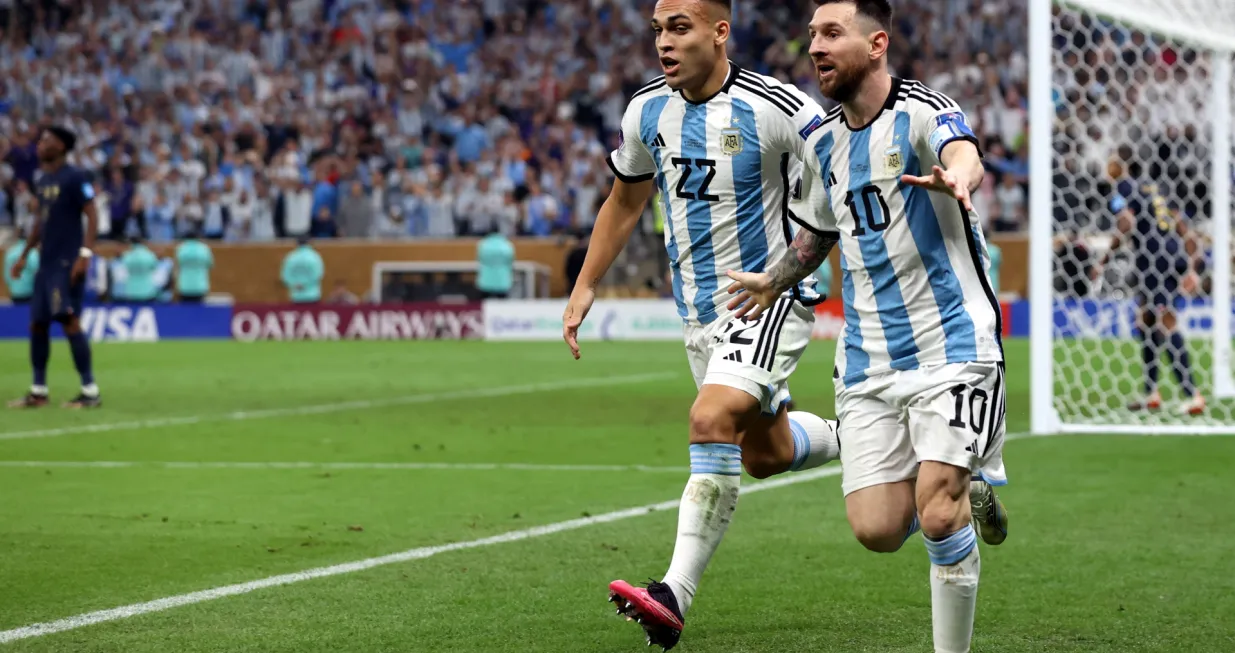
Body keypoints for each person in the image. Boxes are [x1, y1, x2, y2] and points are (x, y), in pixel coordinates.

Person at [725, 2, 1008, 651]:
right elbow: (818, 230)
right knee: (876, 528)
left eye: (830, 34)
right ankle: (969, 485)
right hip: (868, 360)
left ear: (876, 43)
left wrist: (957, 178)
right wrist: (773, 278)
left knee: (935, 510)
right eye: (811, 37)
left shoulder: (919, 112)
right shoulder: (822, 141)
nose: (814, 48)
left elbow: (962, 152)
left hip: (952, 346)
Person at [562, 1, 841, 648]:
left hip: (766, 298)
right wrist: (584, 286)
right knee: (762, 454)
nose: (663, 41)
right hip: (697, 315)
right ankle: (865, 438)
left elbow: (844, 163)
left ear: (719, 33)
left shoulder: (776, 107)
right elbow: (626, 198)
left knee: (709, 420)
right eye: (658, 29)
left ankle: (671, 594)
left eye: (679, 27)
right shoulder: (645, 111)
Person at [1094, 158, 1203, 415]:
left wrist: (1104, 259)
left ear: (1120, 165)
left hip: (1156, 261)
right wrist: (1191, 267)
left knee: (1165, 323)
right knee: (1145, 321)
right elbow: (1182, 226)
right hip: (1168, 258)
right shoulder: (1157, 187)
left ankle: (1192, 394)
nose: (1107, 168)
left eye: (1111, 162)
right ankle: (1151, 392)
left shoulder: (1124, 188)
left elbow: (1127, 223)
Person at [8, 126, 102, 409]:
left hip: (66, 262)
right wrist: (25, 254)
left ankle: (90, 392)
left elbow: (92, 214)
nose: (41, 143)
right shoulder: (42, 178)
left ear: (61, 146)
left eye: (47, 139)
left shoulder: (74, 177)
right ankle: (39, 391)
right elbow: (41, 221)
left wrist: (85, 254)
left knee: (68, 320)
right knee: (37, 324)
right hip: (45, 264)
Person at [281, 235, 324, 304]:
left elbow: (285, 276)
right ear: (309, 242)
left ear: (297, 243)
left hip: (296, 296)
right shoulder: (314, 256)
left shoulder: (290, 257)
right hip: (312, 295)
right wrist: (305, 285)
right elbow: (318, 274)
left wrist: (295, 284)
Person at [476, 228, 515, 299]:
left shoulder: (483, 244)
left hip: (486, 281)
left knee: (485, 305)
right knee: (502, 307)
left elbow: (480, 259)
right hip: (503, 281)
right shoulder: (507, 245)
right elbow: (511, 261)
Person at [175, 230, 214, 303]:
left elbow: (178, 264)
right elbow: (210, 265)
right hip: (200, 285)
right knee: (198, 311)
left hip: (184, 285)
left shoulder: (181, 248)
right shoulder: (204, 248)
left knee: (185, 311)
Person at [4, 226, 39, 304]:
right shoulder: (33, 253)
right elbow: (37, 273)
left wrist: (13, 287)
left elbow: (6, 275)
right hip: (30, 293)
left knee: (17, 315)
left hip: (15, 292)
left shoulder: (10, 253)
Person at [119, 236, 160, 303]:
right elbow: (154, 268)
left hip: (131, 290)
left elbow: (124, 269)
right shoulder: (149, 255)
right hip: (147, 290)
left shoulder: (127, 255)